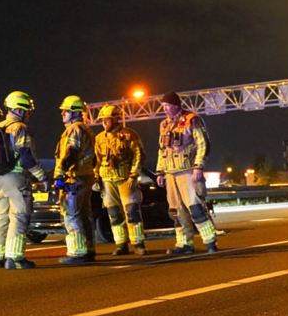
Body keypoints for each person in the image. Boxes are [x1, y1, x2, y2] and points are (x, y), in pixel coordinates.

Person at [0, 91, 50, 269]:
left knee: (0, 218)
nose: (28, 114)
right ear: (18, 110)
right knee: (20, 216)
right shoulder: (19, 128)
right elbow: (26, 157)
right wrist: (42, 176)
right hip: (16, 179)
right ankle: (15, 258)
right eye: (26, 110)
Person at [155, 91, 218, 254]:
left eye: (168, 107)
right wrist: (160, 172)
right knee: (176, 211)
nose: (166, 110)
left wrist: (198, 166)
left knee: (195, 207)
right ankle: (184, 243)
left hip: (188, 171)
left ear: (177, 106)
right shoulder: (164, 125)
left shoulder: (192, 120)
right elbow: (162, 150)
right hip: (171, 174)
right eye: (164, 107)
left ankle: (209, 240)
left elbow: (203, 144)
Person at [94, 104, 148, 256]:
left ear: (115, 119)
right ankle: (121, 244)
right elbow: (97, 161)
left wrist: (133, 174)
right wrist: (96, 179)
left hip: (125, 179)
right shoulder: (99, 139)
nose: (103, 123)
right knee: (114, 213)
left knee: (132, 211)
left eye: (106, 120)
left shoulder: (129, 134)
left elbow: (139, 155)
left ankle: (138, 243)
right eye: (102, 120)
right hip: (107, 181)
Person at [54, 96, 97, 265]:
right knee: (85, 214)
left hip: (75, 178)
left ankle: (78, 252)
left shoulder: (74, 129)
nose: (63, 113)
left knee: (72, 214)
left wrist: (59, 173)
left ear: (76, 113)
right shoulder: (87, 130)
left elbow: (71, 152)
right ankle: (88, 249)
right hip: (85, 177)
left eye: (66, 111)